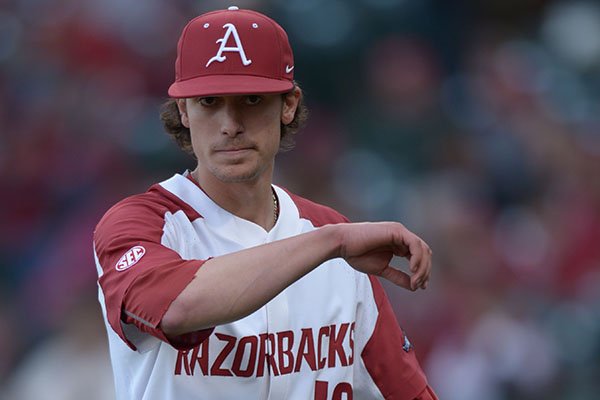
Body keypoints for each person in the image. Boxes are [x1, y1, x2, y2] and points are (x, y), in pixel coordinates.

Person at [93, 6, 437, 400]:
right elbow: (175, 308)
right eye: (208, 101)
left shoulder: (333, 234)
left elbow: (406, 391)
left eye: (251, 99)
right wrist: (331, 243)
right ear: (184, 110)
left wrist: (333, 239)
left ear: (288, 105)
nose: (230, 123)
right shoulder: (140, 223)